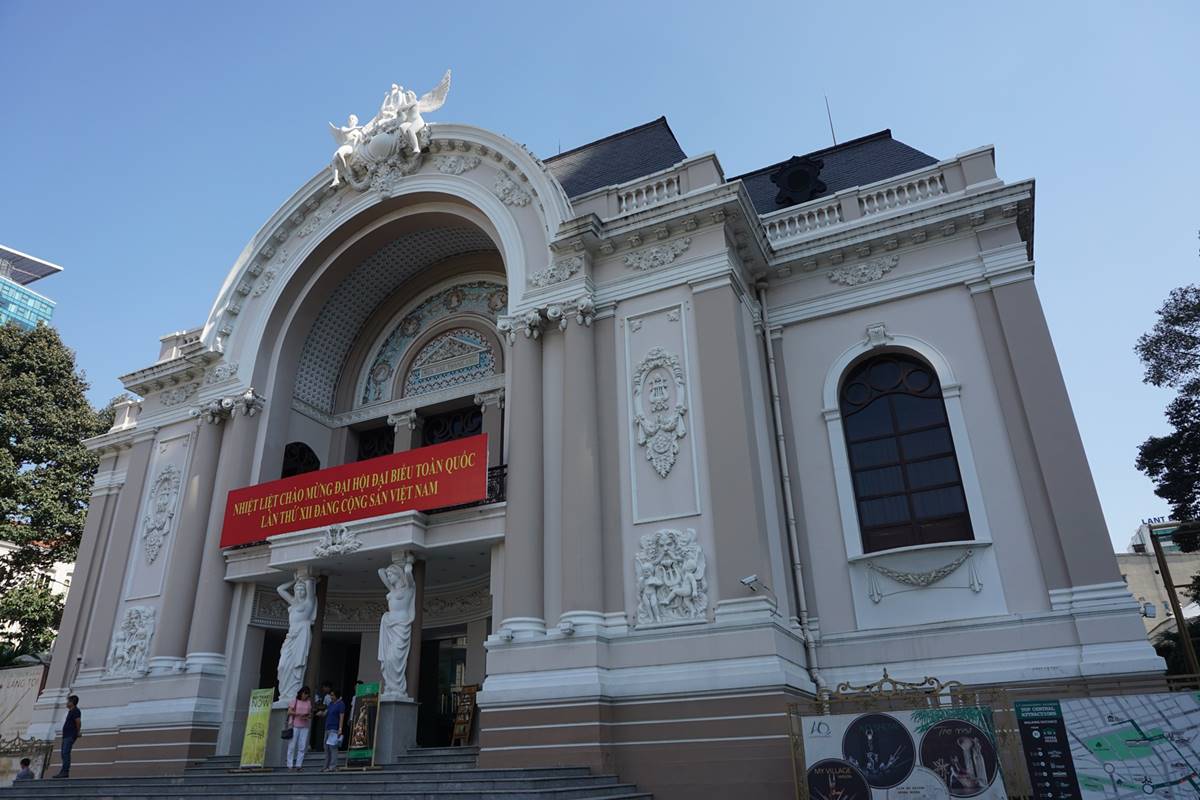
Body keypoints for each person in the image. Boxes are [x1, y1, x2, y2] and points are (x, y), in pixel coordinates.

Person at [52, 695, 81, 778]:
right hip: (66, 735)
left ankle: (65, 771)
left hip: (70, 735)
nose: (67, 703)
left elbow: (78, 722)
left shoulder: (75, 711)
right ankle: (63, 771)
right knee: (63, 753)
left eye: (68, 701)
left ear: (72, 702)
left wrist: (77, 732)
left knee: (65, 753)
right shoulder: (71, 711)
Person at [285, 686, 313, 771]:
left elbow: (310, 713)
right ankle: (289, 765)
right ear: (301, 693)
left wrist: (308, 716)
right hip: (295, 725)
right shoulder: (295, 701)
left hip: (304, 725)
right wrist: (298, 714)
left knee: (302, 746)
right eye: (304, 694)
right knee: (292, 745)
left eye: (307, 694)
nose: (305, 696)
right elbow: (289, 711)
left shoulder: (308, 702)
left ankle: (299, 765)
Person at [322, 688, 346, 772]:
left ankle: (332, 766)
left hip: (334, 728)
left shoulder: (341, 704)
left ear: (336, 696)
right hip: (327, 728)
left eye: (332, 695)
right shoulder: (331, 704)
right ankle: (326, 766)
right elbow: (325, 713)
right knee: (326, 748)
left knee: (333, 748)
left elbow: (341, 717)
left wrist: (340, 729)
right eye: (331, 695)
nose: (331, 697)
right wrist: (321, 713)